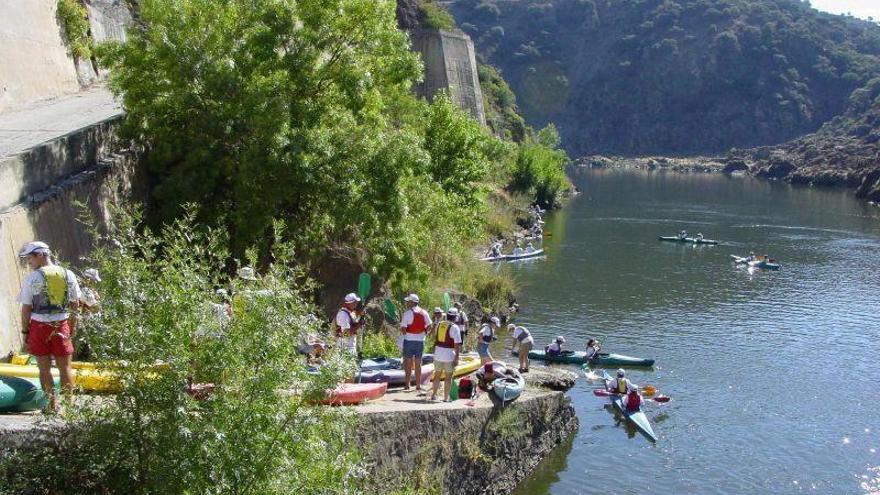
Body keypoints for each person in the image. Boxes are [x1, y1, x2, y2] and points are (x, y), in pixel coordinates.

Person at [18, 241, 81, 411]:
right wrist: (71, 327)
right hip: (62, 325)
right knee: (65, 367)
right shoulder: (68, 274)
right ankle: (70, 406)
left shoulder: (32, 278)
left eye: (30, 258)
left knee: (44, 369)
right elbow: (75, 305)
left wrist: (26, 332)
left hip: (39, 327)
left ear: (40, 255)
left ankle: (52, 407)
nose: (29, 262)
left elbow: (26, 309)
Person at [400, 294, 432, 392]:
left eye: (408, 301)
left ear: (412, 302)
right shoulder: (424, 312)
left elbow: (403, 329)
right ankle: (418, 386)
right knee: (418, 364)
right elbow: (430, 325)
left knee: (408, 363)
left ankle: (407, 385)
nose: (407, 303)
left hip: (409, 341)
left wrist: (408, 333)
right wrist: (424, 333)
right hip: (420, 341)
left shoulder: (407, 313)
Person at [430, 309, 461, 402]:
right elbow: (457, 345)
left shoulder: (439, 324)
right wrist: (457, 358)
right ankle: (446, 398)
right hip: (449, 356)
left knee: (437, 376)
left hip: (438, 354)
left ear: (447, 316)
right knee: (448, 378)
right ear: (455, 317)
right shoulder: (455, 327)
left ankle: (434, 395)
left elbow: (435, 337)